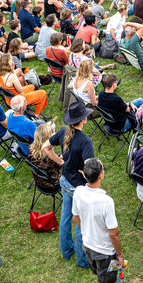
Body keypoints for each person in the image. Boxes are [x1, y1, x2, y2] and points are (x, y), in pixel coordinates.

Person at [72, 157, 128, 283]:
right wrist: (119, 254)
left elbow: (75, 217)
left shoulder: (79, 192)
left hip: (88, 246)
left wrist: (88, 231)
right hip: (105, 252)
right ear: (101, 175)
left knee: (105, 277)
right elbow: (114, 233)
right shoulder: (106, 201)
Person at [41, 100, 95, 269]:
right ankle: (83, 260)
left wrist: (60, 162)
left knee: (66, 216)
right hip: (78, 187)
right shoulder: (86, 142)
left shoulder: (64, 131)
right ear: (83, 120)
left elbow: (45, 147)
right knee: (81, 223)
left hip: (64, 181)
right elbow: (89, 169)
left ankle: (66, 250)